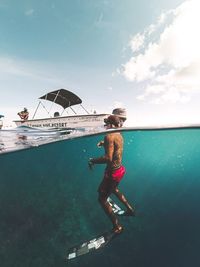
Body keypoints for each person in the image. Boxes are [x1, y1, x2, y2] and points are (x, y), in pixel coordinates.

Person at [88, 115, 134, 234]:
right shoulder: (119, 134)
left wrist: (92, 160)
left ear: (111, 125)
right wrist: (104, 143)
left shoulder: (109, 135)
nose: (105, 126)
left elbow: (108, 158)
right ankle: (130, 210)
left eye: (106, 124)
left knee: (101, 198)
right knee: (114, 189)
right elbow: (115, 146)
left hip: (112, 173)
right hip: (120, 170)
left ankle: (117, 227)